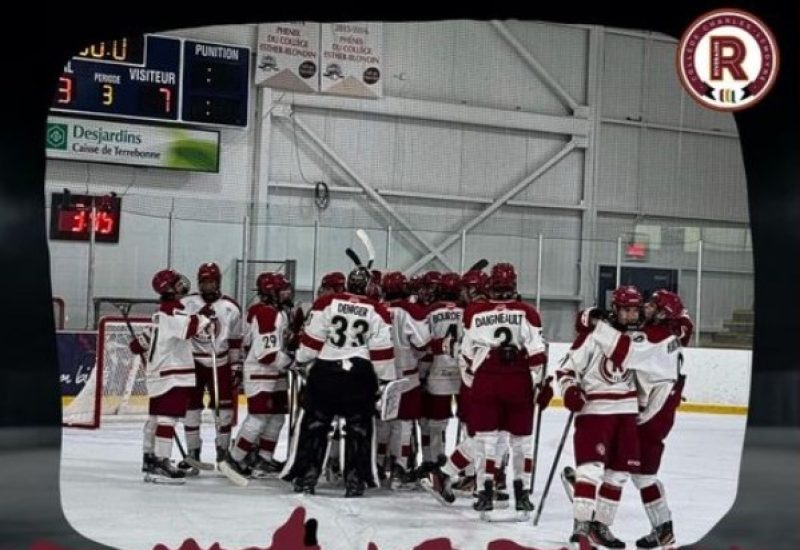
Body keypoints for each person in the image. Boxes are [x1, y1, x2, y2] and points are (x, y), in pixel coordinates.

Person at [282, 265, 396, 497]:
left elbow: (312, 339)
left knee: (314, 424)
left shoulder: (327, 303)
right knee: (359, 428)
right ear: (368, 286)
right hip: (359, 375)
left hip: (325, 372)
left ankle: (307, 476)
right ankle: (355, 480)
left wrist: (302, 359)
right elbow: (382, 351)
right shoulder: (378, 310)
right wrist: (385, 380)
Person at [595, 289, 691, 549]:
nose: (644, 308)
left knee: (617, 469)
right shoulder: (675, 331)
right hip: (661, 415)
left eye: (651, 306)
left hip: (648, 419)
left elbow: (622, 350)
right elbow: (685, 322)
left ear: (661, 314)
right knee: (644, 477)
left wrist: (598, 325)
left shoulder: (654, 337)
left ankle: (598, 524)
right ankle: (664, 529)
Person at [456, 263, 550, 516]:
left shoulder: (475, 313)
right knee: (522, 443)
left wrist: (472, 382)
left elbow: (464, 355)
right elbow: (537, 354)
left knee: (486, 441)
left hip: (486, 379)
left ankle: (485, 492)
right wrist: (537, 384)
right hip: (518, 380)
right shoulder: (528, 312)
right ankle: (522, 494)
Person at [556, 285, 643, 549]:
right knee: (591, 471)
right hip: (595, 413)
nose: (631, 315)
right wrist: (570, 390)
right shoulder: (593, 336)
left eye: (635, 310)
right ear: (615, 309)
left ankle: (601, 527)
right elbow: (565, 370)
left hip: (626, 414)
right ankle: (581, 529)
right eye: (626, 310)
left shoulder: (642, 338)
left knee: (618, 475)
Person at [132, 269, 212, 483]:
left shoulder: (159, 314)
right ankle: (162, 462)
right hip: (173, 374)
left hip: (159, 373)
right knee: (167, 419)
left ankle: (149, 457)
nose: (181, 286)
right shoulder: (173, 311)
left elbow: (136, 345)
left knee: (155, 419)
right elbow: (188, 329)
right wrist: (205, 317)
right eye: (176, 284)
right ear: (169, 289)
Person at [220, 273, 293, 483]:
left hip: (274, 372)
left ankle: (263, 460)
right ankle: (234, 459)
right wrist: (291, 362)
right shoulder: (266, 314)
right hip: (261, 372)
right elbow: (266, 354)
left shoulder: (278, 312)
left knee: (277, 416)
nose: (288, 293)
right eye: (284, 290)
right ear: (272, 292)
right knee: (258, 417)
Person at [180, 262, 243, 465]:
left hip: (221, 362)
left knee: (224, 412)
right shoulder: (187, 303)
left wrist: (235, 367)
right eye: (204, 282)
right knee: (191, 410)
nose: (208, 286)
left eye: (211, 282)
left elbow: (234, 340)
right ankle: (193, 452)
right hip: (194, 363)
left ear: (218, 283)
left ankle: (223, 451)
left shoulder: (230, 307)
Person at [381, 271, 431, 486]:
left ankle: (377, 463)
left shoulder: (377, 308)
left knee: (381, 421)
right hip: (407, 375)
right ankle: (400, 467)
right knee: (404, 423)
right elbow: (422, 343)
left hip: (381, 374)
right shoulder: (410, 311)